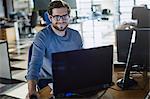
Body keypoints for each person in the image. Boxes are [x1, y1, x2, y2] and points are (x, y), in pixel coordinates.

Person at [26, 0, 83, 98]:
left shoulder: (76, 35)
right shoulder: (42, 36)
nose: (61, 20)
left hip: (70, 77)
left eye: (64, 16)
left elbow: (81, 60)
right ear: (50, 17)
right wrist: (32, 90)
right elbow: (35, 65)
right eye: (57, 17)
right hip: (48, 80)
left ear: (69, 16)